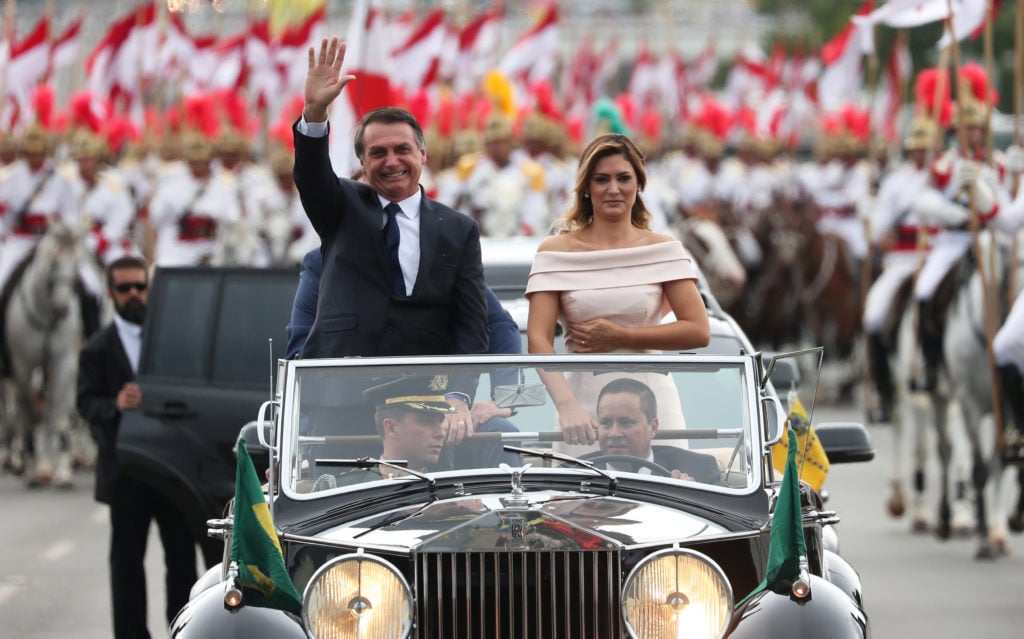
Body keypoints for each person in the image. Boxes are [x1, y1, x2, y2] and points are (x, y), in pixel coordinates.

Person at [295, 37, 488, 443]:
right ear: (362, 164)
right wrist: (314, 114)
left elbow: (470, 324)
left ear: (423, 155)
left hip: (425, 409)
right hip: (344, 399)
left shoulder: (458, 229)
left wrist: (458, 396)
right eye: (378, 153)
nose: (392, 161)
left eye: (402, 149)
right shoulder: (342, 208)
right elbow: (312, 177)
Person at [525, 133, 710, 446]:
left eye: (623, 178)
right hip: (583, 412)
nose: (613, 189)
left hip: (654, 408)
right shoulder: (555, 252)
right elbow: (538, 339)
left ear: (638, 185)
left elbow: (699, 330)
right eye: (601, 179)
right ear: (586, 188)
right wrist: (567, 406)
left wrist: (624, 337)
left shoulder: (664, 249)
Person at [285, 245, 521, 467]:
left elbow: (498, 322)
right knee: (336, 496)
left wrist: (499, 399)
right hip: (345, 420)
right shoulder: (323, 262)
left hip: (429, 410)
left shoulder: (438, 256)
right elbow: (300, 350)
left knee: (501, 434)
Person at [76, 256, 199, 639]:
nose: (134, 295)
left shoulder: (172, 339)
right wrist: (115, 403)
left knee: (182, 560)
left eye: (140, 287)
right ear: (111, 294)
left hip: (171, 471)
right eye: (125, 288)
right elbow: (85, 403)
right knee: (126, 564)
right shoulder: (96, 348)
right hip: (126, 472)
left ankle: (183, 631)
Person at [588, 378, 721, 484]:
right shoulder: (575, 472)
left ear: (653, 427)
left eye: (626, 423)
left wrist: (687, 496)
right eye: (606, 423)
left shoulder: (699, 470)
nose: (614, 433)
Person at [331, 376, 457, 486]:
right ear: (390, 428)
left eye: (440, 421)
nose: (440, 433)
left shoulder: (447, 490)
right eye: (426, 421)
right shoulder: (342, 488)